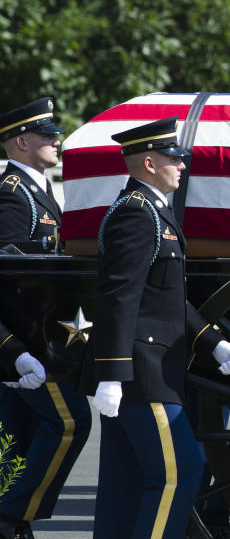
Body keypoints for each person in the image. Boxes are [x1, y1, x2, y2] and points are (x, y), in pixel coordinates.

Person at [78, 116, 230, 539]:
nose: (182, 166)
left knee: (126, 481)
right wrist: (113, 373)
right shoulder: (136, 215)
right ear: (149, 163)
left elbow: (166, 296)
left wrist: (212, 341)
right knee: (179, 473)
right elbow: (120, 297)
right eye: (174, 159)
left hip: (144, 367)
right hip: (141, 372)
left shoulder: (151, 211)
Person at [0, 97, 92, 539]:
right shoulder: (14, 197)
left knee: (17, 434)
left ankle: (11, 518)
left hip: (40, 342)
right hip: (29, 345)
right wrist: (13, 352)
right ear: (22, 141)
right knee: (69, 422)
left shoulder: (37, 190)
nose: (56, 140)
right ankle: (14, 513)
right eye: (47, 135)